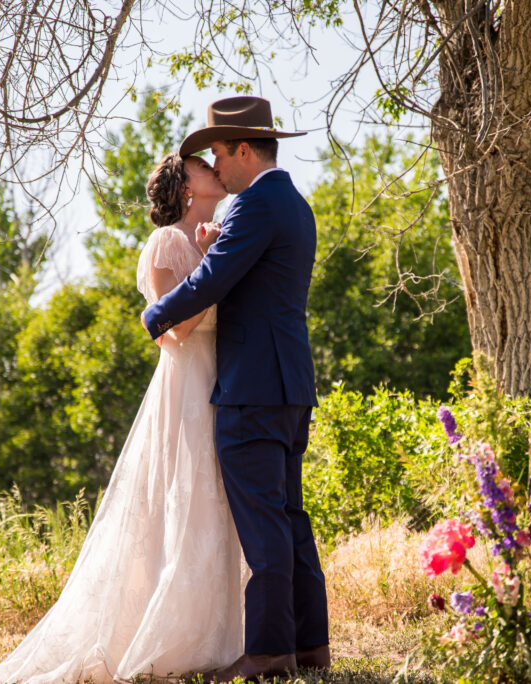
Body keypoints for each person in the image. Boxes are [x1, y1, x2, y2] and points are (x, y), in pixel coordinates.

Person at [0, 153, 242, 683]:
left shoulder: (218, 237)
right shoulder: (168, 242)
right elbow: (174, 331)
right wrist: (214, 267)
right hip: (187, 384)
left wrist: (218, 257)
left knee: (215, 501)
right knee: (182, 498)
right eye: (199, 164)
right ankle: (163, 638)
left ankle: (216, 635)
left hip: (224, 379)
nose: (213, 167)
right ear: (185, 187)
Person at [141, 95, 330, 682]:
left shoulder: (254, 206)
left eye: (220, 154)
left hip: (252, 387)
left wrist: (153, 317)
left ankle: (269, 651)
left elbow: (213, 278)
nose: (216, 167)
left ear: (244, 149)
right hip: (291, 383)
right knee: (291, 517)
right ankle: (310, 645)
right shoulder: (295, 205)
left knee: (263, 523)